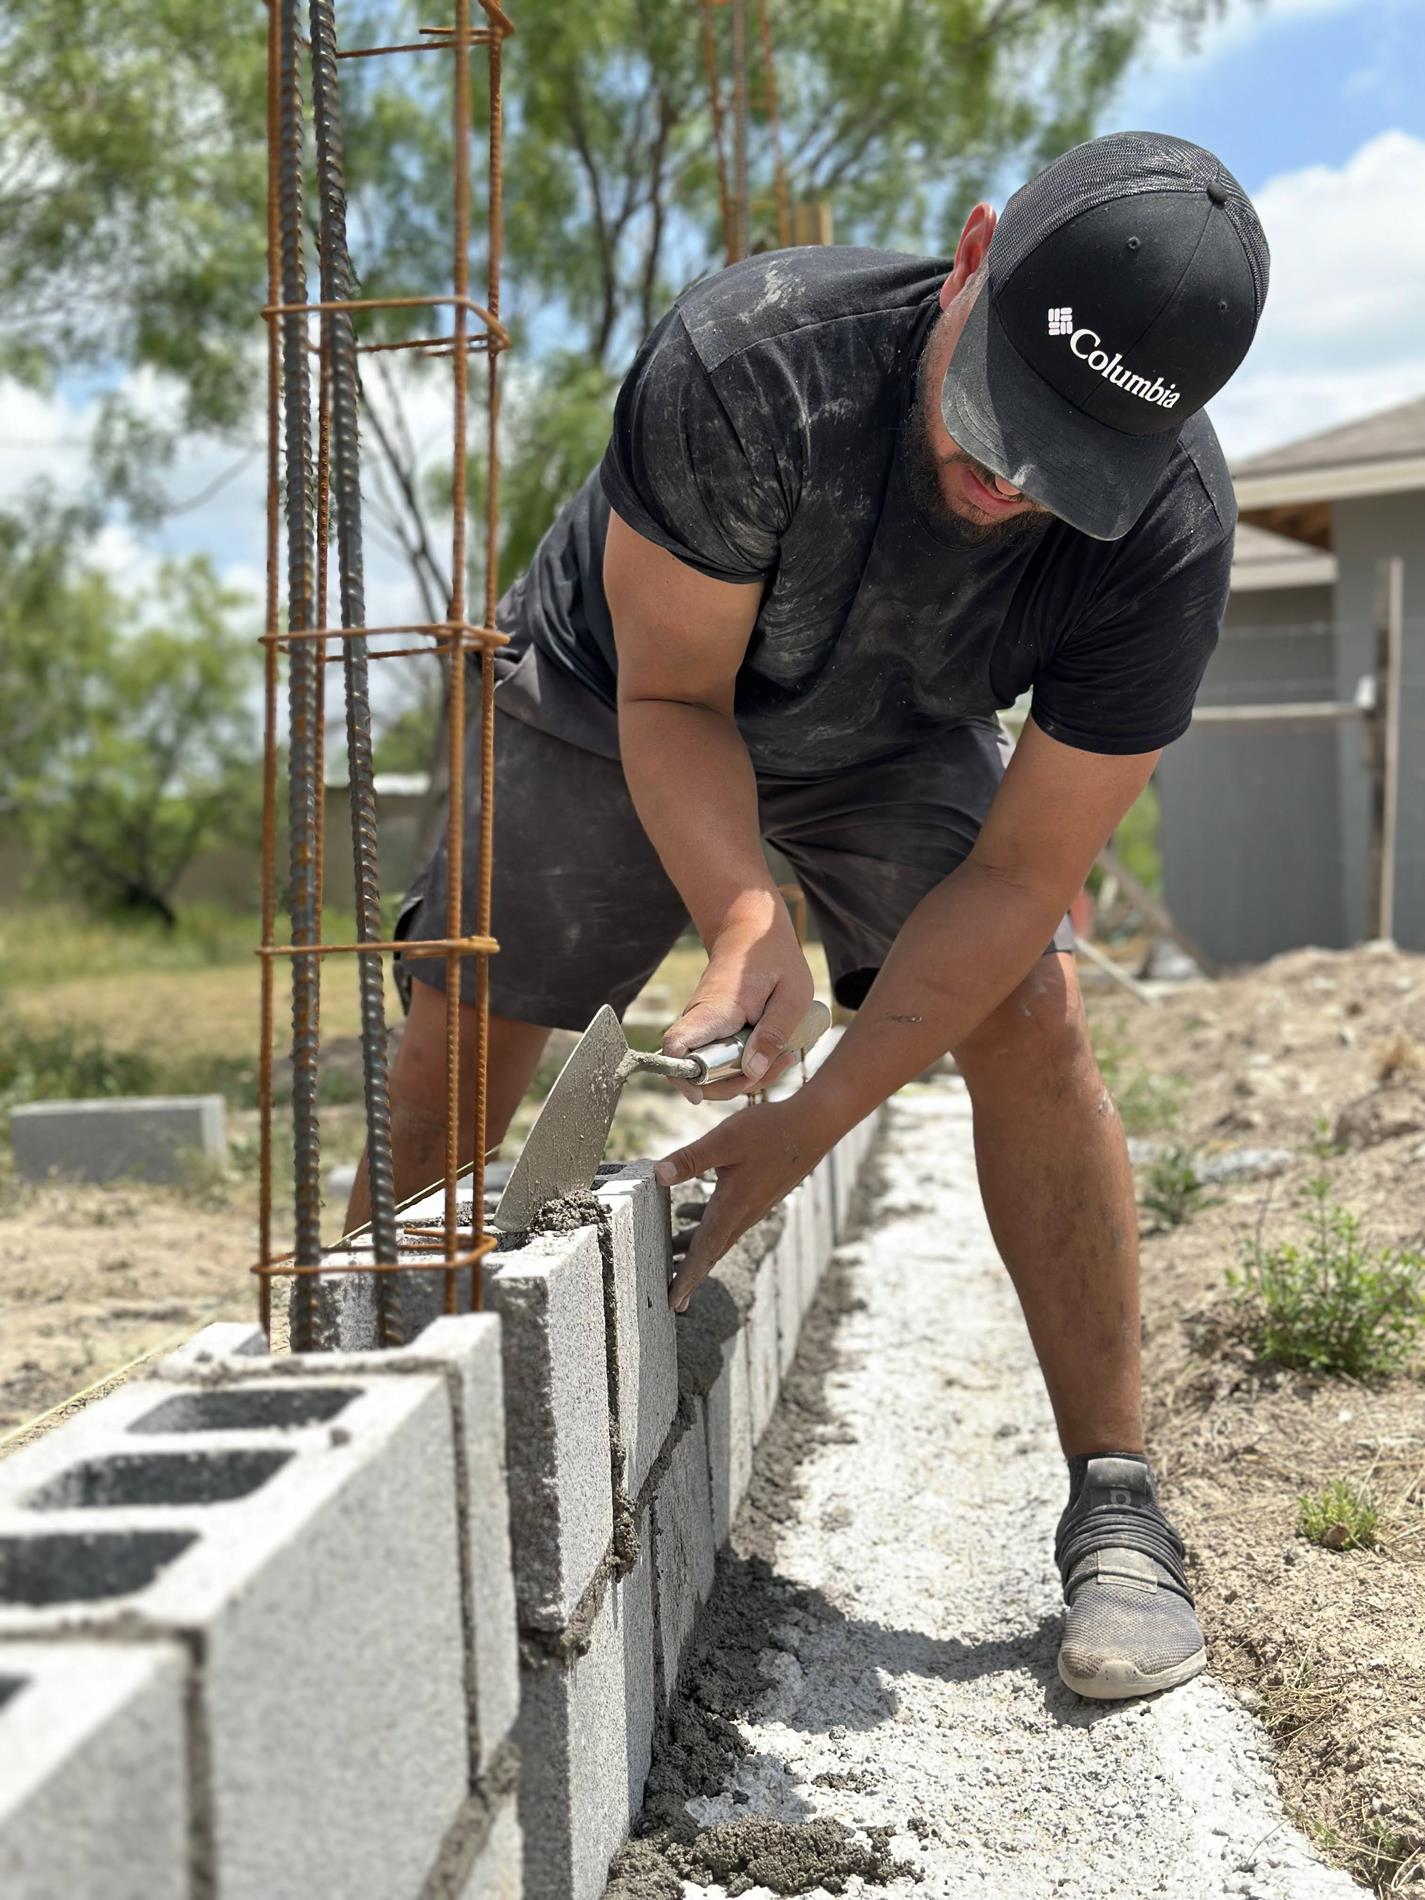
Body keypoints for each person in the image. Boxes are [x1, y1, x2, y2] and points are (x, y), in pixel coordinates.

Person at [348, 131, 1269, 1700]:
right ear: (971, 253)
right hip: (613, 693)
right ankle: (365, 1406)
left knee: (1031, 1017)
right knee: (471, 1010)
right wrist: (738, 915)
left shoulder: (1161, 540)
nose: (1007, 481)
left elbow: (1016, 877)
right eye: (1001, 416)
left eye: (1068, 462)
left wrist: (816, 1115)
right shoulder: (754, 361)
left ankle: (1116, 1509)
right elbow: (673, 692)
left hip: (900, 734)